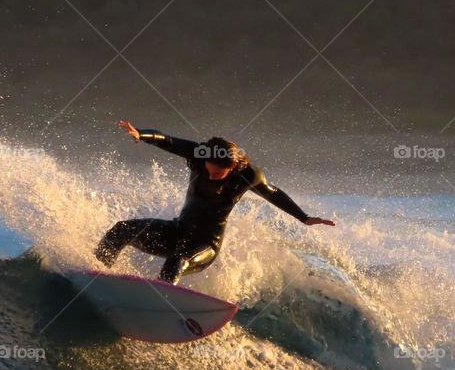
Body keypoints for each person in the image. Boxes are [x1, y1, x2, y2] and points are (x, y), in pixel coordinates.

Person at [95, 121, 335, 285]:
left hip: (205, 246)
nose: (211, 175)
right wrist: (141, 134)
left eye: (218, 173)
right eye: (209, 170)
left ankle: (163, 304)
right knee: (121, 230)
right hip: (177, 231)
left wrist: (304, 218)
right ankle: (95, 275)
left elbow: (274, 194)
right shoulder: (200, 155)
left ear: (232, 167)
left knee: (176, 261)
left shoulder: (249, 175)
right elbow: (168, 140)